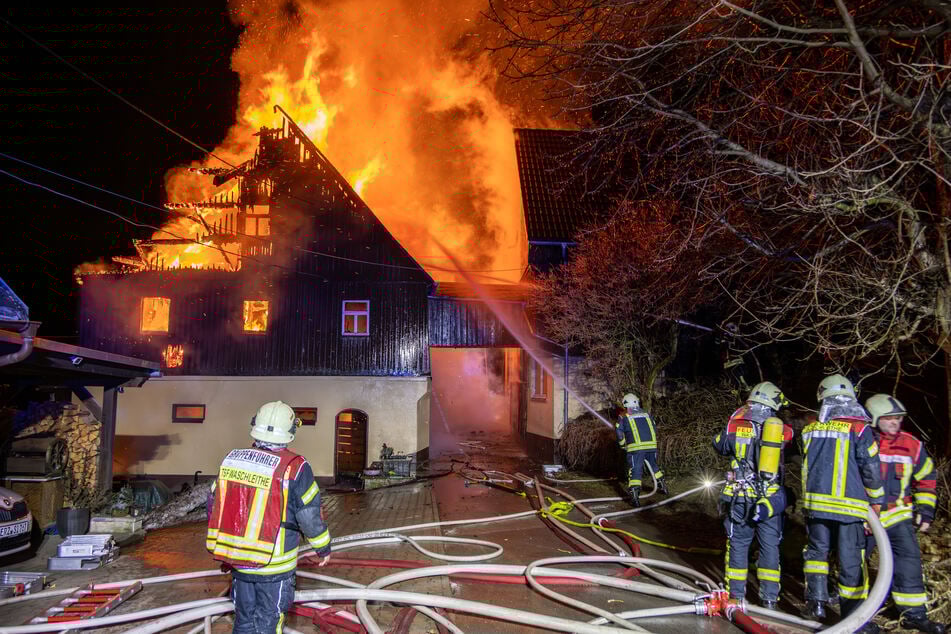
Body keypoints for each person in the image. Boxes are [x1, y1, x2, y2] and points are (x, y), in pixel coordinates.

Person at [206, 401, 331, 634]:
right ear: (291, 432)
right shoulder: (296, 467)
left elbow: (214, 507)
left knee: (243, 621)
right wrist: (322, 547)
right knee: (269, 623)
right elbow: (308, 515)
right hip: (274, 566)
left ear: (255, 426)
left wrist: (225, 550)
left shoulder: (232, 460)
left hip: (240, 563)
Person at [802, 374, 884, 633]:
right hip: (849, 508)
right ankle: (855, 619)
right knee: (851, 561)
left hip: (816, 506)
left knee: (817, 554)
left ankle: (815, 603)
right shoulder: (860, 429)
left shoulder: (811, 429)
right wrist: (877, 500)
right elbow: (870, 468)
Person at [864, 394, 945, 634]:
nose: (896, 422)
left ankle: (913, 614)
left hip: (899, 515)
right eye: (890, 418)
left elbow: (928, 477)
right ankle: (856, 614)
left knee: (908, 560)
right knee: (855, 564)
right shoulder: (862, 442)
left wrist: (926, 511)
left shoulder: (912, 444)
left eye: (899, 418)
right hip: (866, 517)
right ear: (874, 418)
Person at [713, 381, 792, 609]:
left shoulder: (736, 426)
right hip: (769, 499)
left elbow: (718, 444)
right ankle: (769, 599)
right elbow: (790, 443)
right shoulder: (779, 429)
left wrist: (734, 419)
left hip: (738, 496)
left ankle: (736, 596)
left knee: (738, 544)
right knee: (769, 546)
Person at [616, 392, 667, 507]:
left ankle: (634, 497)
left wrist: (623, 444)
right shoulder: (646, 413)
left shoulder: (623, 415)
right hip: (651, 446)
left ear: (625, 404)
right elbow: (654, 427)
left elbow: (619, 433)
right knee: (654, 466)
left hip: (636, 448)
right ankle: (663, 486)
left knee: (635, 470)